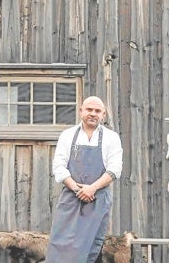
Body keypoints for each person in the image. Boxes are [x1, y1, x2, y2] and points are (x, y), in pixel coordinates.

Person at [45, 96, 123, 263]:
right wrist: (77, 189)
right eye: (89, 110)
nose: (93, 114)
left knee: (90, 249)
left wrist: (92, 188)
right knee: (60, 246)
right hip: (71, 199)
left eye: (97, 111)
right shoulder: (67, 135)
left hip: (97, 200)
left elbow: (115, 169)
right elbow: (59, 167)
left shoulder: (111, 138)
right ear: (81, 111)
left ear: (103, 114)